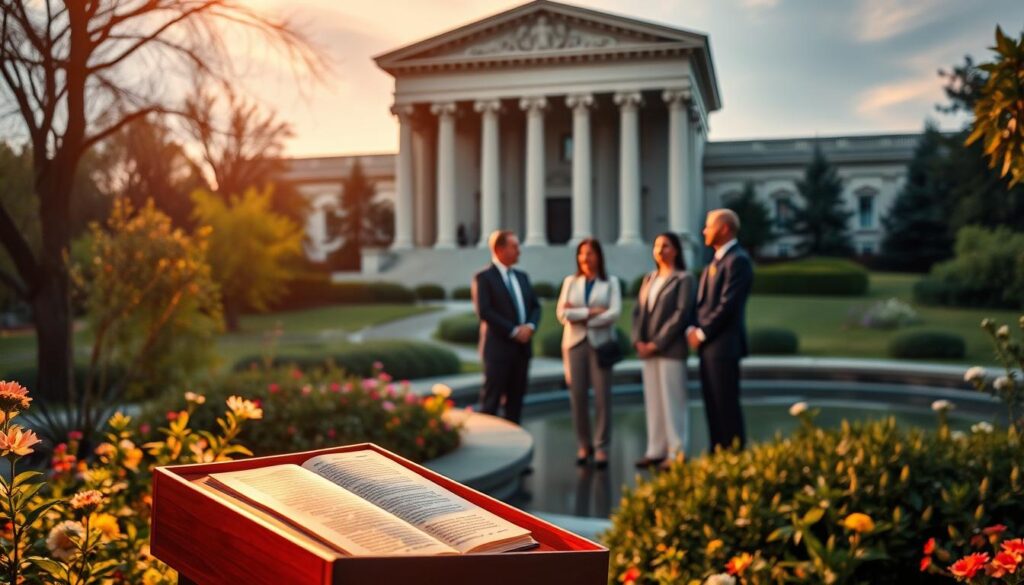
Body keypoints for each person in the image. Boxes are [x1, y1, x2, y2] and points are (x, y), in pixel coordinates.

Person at [686, 209, 754, 450]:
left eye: (709, 226)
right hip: (709, 348)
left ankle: (734, 457)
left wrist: (701, 332)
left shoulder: (738, 261)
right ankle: (717, 454)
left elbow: (729, 305)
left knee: (726, 407)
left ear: (724, 228)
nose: (704, 231)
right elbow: (700, 303)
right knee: (713, 406)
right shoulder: (714, 261)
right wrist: (692, 328)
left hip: (724, 347)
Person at [631, 232, 695, 470]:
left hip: (670, 350)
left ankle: (676, 452)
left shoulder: (684, 278)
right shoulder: (649, 278)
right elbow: (638, 311)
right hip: (647, 351)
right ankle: (655, 450)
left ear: (675, 250)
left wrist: (656, 343)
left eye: (665, 246)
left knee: (673, 402)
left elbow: (680, 314)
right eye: (657, 245)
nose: (660, 250)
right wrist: (638, 341)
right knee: (654, 401)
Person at [556, 238, 622, 469]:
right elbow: (562, 315)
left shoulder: (610, 282)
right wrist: (593, 312)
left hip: (600, 345)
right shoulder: (570, 282)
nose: (586, 258)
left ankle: (601, 447)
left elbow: (614, 314)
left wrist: (579, 314)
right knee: (578, 398)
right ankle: (584, 445)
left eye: (590, 253)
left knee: (603, 397)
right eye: (582, 254)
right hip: (574, 345)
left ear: (599, 256)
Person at [472, 230, 541, 424]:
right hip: (497, 352)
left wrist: (530, 326)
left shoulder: (522, 277)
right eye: (514, 247)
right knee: (490, 404)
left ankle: (513, 442)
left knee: (516, 405)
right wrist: (514, 331)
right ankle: (487, 446)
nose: (519, 251)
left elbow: (535, 306)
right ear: (499, 249)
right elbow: (485, 311)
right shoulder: (483, 278)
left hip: (521, 351)